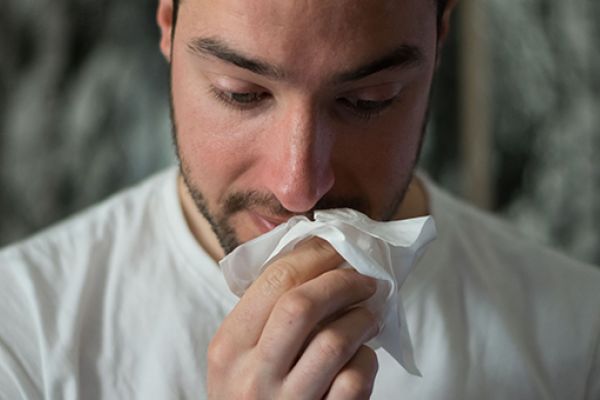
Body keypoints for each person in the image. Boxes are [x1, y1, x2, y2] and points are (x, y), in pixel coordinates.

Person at [1, 0, 599, 398]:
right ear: (167, 25)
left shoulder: (580, 338)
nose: (299, 187)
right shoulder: (22, 337)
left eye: (370, 99)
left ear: (440, 40)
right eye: (241, 94)